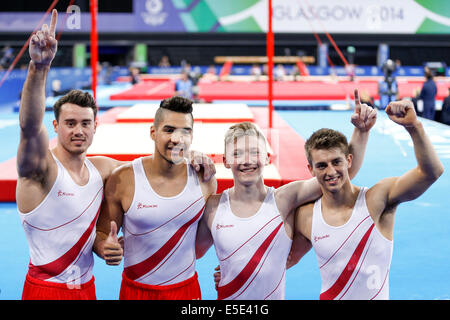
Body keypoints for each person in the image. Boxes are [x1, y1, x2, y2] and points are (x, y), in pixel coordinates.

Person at [197, 90, 377, 300]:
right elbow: (189, 252)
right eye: (237, 154)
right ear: (226, 161)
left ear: (266, 157)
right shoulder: (214, 207)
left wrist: (361, 131)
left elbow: (343, 174)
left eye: (254, 152)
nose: (247, 161)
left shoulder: (285, 199)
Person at [16, 10, 124, 300]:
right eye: (70, 123)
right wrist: (38, 68)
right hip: (45, 289)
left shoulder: (103, 169)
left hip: (87, 289)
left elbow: (152, 172)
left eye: (85, 123)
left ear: (95, 126)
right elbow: (28, 126)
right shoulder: (41, 169)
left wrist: (194, 159)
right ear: (55, 126)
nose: (78, 131)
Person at [291, 99, 444, 300]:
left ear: (349, 161)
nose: (330, 172)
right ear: (311, 170)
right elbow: (283, 261)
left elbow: (430, 173)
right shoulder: (306, 216)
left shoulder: (377, 199)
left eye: (336, 162)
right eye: (321, 165)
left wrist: (413, 126)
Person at [94, 96, 217, 300]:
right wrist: (103, 248)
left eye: (184, 131)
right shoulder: (123, 179)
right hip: (137, 291)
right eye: (169, 130)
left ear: (192, 135)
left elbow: (208, 240)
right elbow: (103, 232)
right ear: (153, 132)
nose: (176, 139)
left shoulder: (204, 179)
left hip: (185, 290)